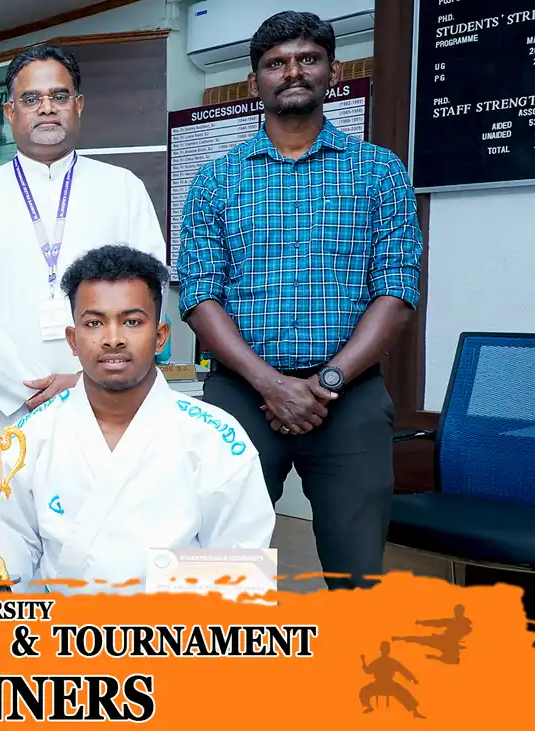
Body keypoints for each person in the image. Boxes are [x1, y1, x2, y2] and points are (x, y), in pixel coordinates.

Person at [176, 12, 423, 590]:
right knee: (218, 568)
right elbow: (200, 294)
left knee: (356, 576)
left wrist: (328, 381)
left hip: (350, 398)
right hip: (242, 394)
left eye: (308, 59)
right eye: (276, 63)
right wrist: (270, 384)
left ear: (332, 71)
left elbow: (397, 290)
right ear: (255, 80)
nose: (293, 71)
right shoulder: (215, 180)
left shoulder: (379, 171)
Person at [0, 246, 275, 592]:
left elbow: (243, 571)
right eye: (94, 323)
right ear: (73, 340)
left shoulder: (215, 437)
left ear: (160, 336)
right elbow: (11, 544)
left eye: (132, 322)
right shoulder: (32, 436)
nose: (113, 339)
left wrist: (138, 593)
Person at [0, 42, 168, 435]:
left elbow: (150, 299)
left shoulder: (122, 188)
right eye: (31, 99)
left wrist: (83, 384)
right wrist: (25, 389)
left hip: (103, 401)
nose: (46, 108)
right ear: (10, 112)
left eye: (59, 96)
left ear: (78, 105)